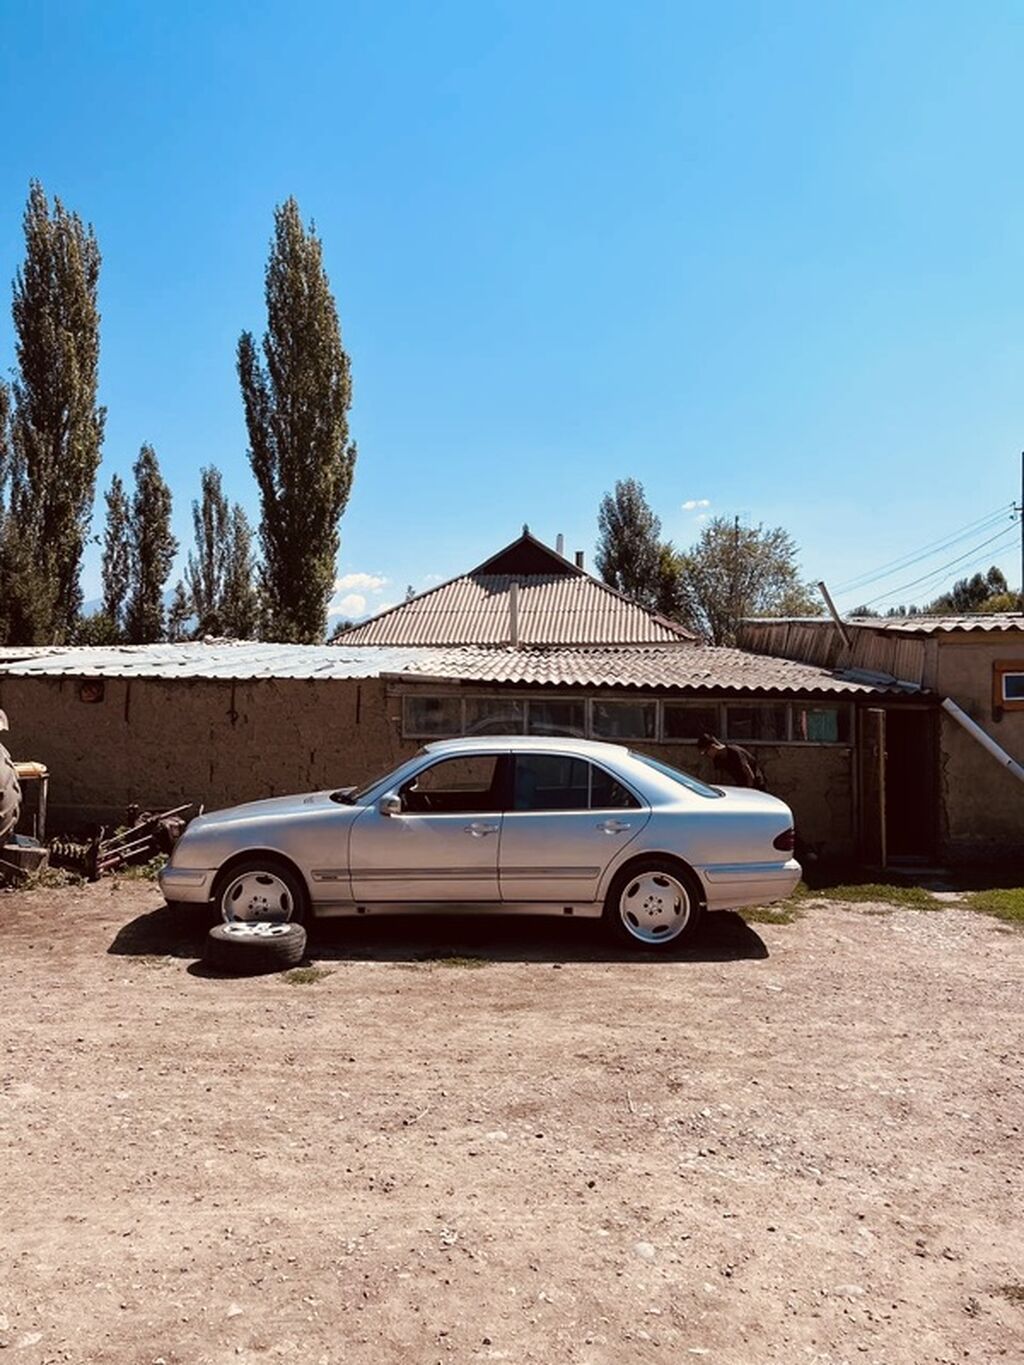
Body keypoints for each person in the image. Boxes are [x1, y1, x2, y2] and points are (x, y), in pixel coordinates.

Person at [697, 732, 767, 790]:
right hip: (741, 785)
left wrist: (749, 790)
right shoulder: (718, 759)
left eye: (706, 752)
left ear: (713, 747)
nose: (707, 756)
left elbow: (748, 772)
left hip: (755, 784)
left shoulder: (734, 752)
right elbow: (720, 778)